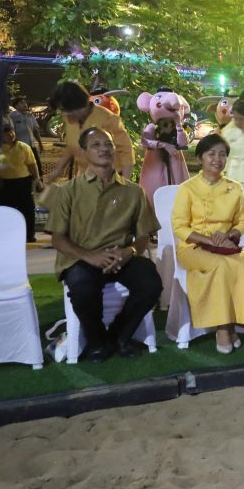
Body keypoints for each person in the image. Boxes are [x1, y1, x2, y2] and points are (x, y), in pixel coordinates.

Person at [48, 127, 162, 362]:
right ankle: (97, 341)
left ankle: (120, 335)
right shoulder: (68, 191)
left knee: (150, 282)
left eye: (108, 144)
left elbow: (143, 236)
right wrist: (90, 256)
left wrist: (129, 251)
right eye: (96, 145)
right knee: (81, 287)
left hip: (121, 258)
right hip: (83, 258)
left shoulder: (133, 191)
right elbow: (57, 238)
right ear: (84, 153)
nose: (104, 149)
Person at [172, 133, 244, 354]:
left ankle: (234, 323)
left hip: (225, 245)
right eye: (211, 154)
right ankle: (223, 328)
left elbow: (242, 222)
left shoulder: (235, 188)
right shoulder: (187, 188)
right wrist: (208, 239)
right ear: (200, 157)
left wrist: (230, 234)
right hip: (193, 247)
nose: (217, 159)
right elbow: (179, 227)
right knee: (220, 266)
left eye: (222, 154)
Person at [46, 81, 134, 182]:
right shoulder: (71, 119)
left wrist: (124, 183)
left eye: (64, 110)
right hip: (85, 179)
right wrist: (57, 171)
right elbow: (71, 147)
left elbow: (126, 152)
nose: (63, 114)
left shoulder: (108, 119)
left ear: (77, 106)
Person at [0, 121, 44, 242]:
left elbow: (32, 165)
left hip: (23, 182)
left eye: (12, 132)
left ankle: (29, 235)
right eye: (7, 133)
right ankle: (7, 235)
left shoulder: (23, 147)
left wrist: (37, 180)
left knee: (27, 209)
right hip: (4, 184)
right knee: (6, 210)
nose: (11, 135)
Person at [139, 116, 189, 204]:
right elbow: (145, 142)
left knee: (176, 190)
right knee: (153, 189)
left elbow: (183, 143)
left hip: (174, 161)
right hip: (155, 161)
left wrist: (178, 125)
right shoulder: (152, 126)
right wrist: (163, 145)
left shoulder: (177, 126)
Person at [10, 95, 44, 166]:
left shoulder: (30, 115)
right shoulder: (12, 116)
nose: (25, 104)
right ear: (16, 106)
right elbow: (10, 132)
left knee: (37, 166)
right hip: (19, 147)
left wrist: (40, 144)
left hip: (31, 146)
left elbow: (35, 131)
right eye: (21, 103)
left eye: (25, 102)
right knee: (23, 167)